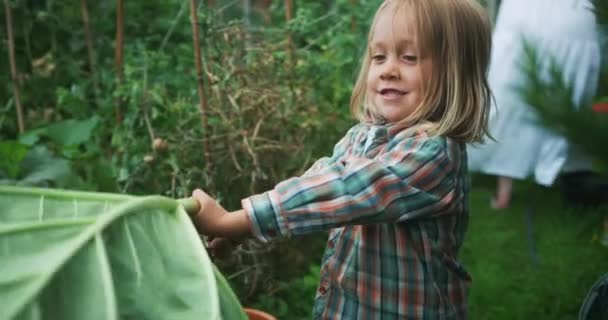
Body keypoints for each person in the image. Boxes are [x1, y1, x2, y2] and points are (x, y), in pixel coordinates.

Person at [190, 0, 492, 318]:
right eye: (379, 56)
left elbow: (347, 191)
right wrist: (241, 228)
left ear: (454, 73)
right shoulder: (362, 135)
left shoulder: (433, 155)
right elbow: (319, 182)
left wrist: (234, 221)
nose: (388, 69)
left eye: (409, 57)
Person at [467, 0, 600, 209]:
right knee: (565, 95)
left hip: (533, 18)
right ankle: (565, 174)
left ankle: (506, 191)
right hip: (572, 19)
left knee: (509, 97)